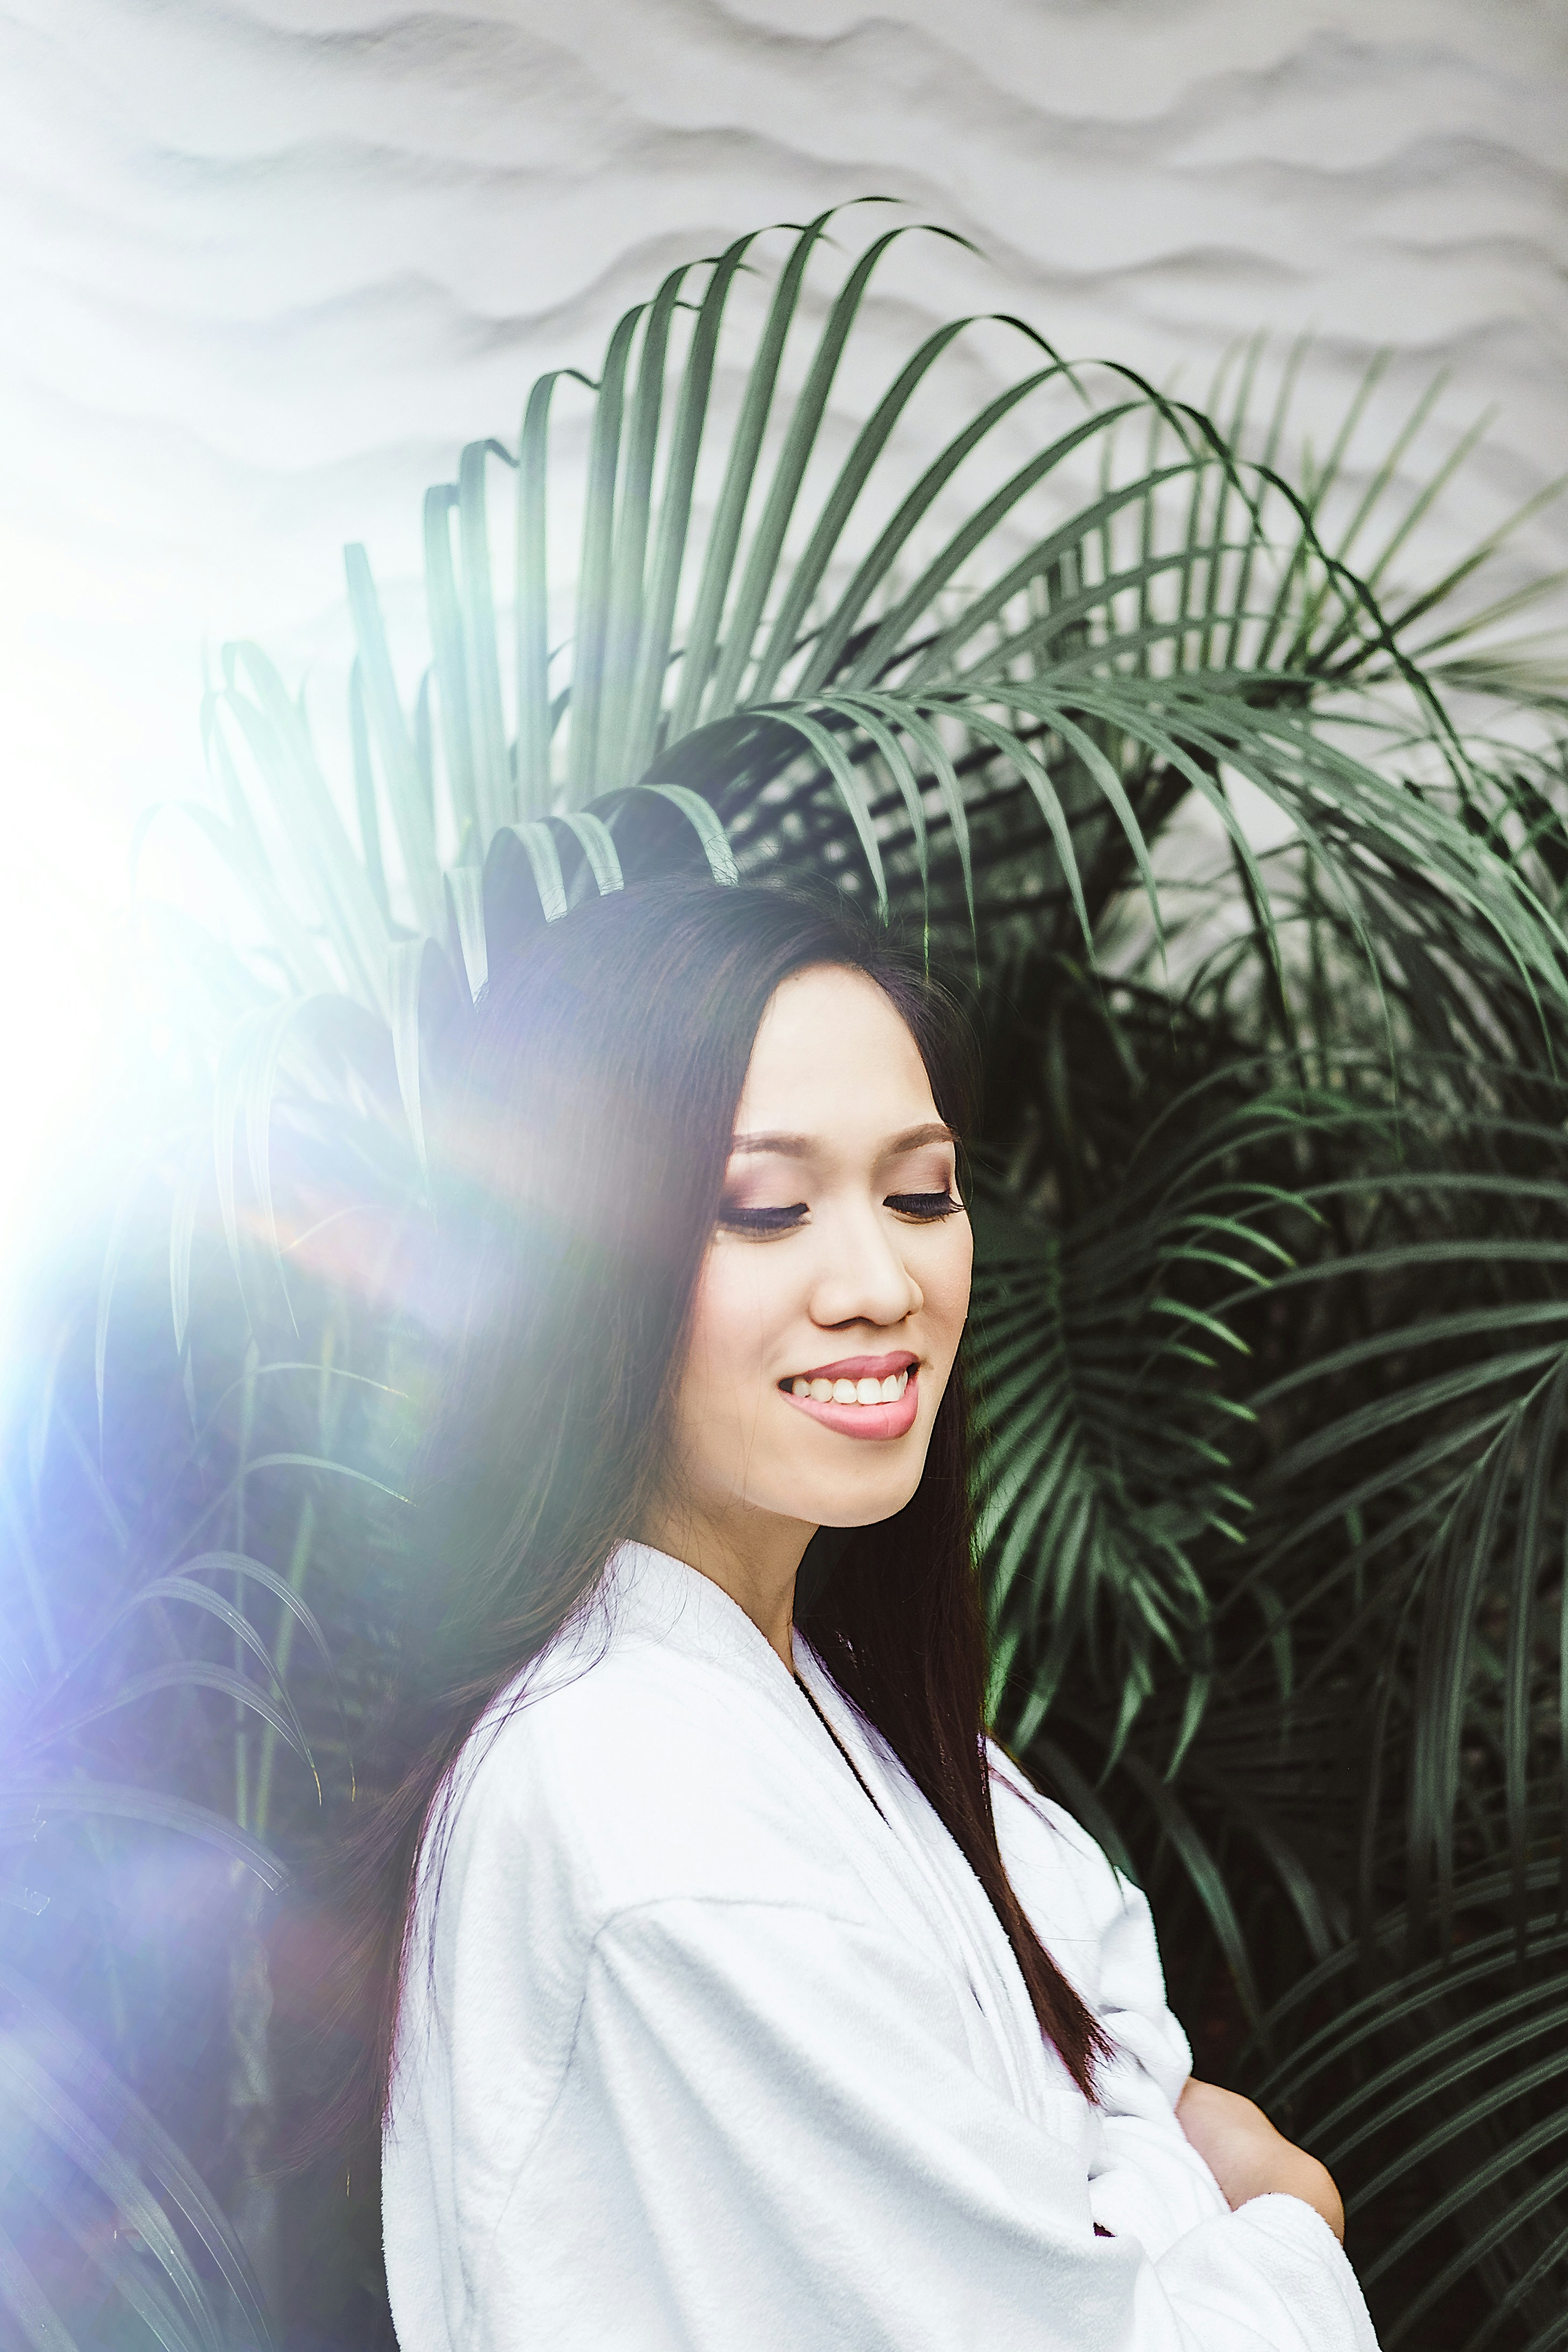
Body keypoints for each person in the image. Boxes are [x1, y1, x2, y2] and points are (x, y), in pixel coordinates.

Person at [352, 876, 1377, 2350]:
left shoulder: (849, 1718)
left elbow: (1124, 2061)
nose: (880, 1282)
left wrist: (1125, 2183)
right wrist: (1281, 2217)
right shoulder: (646, 1819)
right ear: (580, 1265)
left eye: (919, 1193)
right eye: (764, 1209)